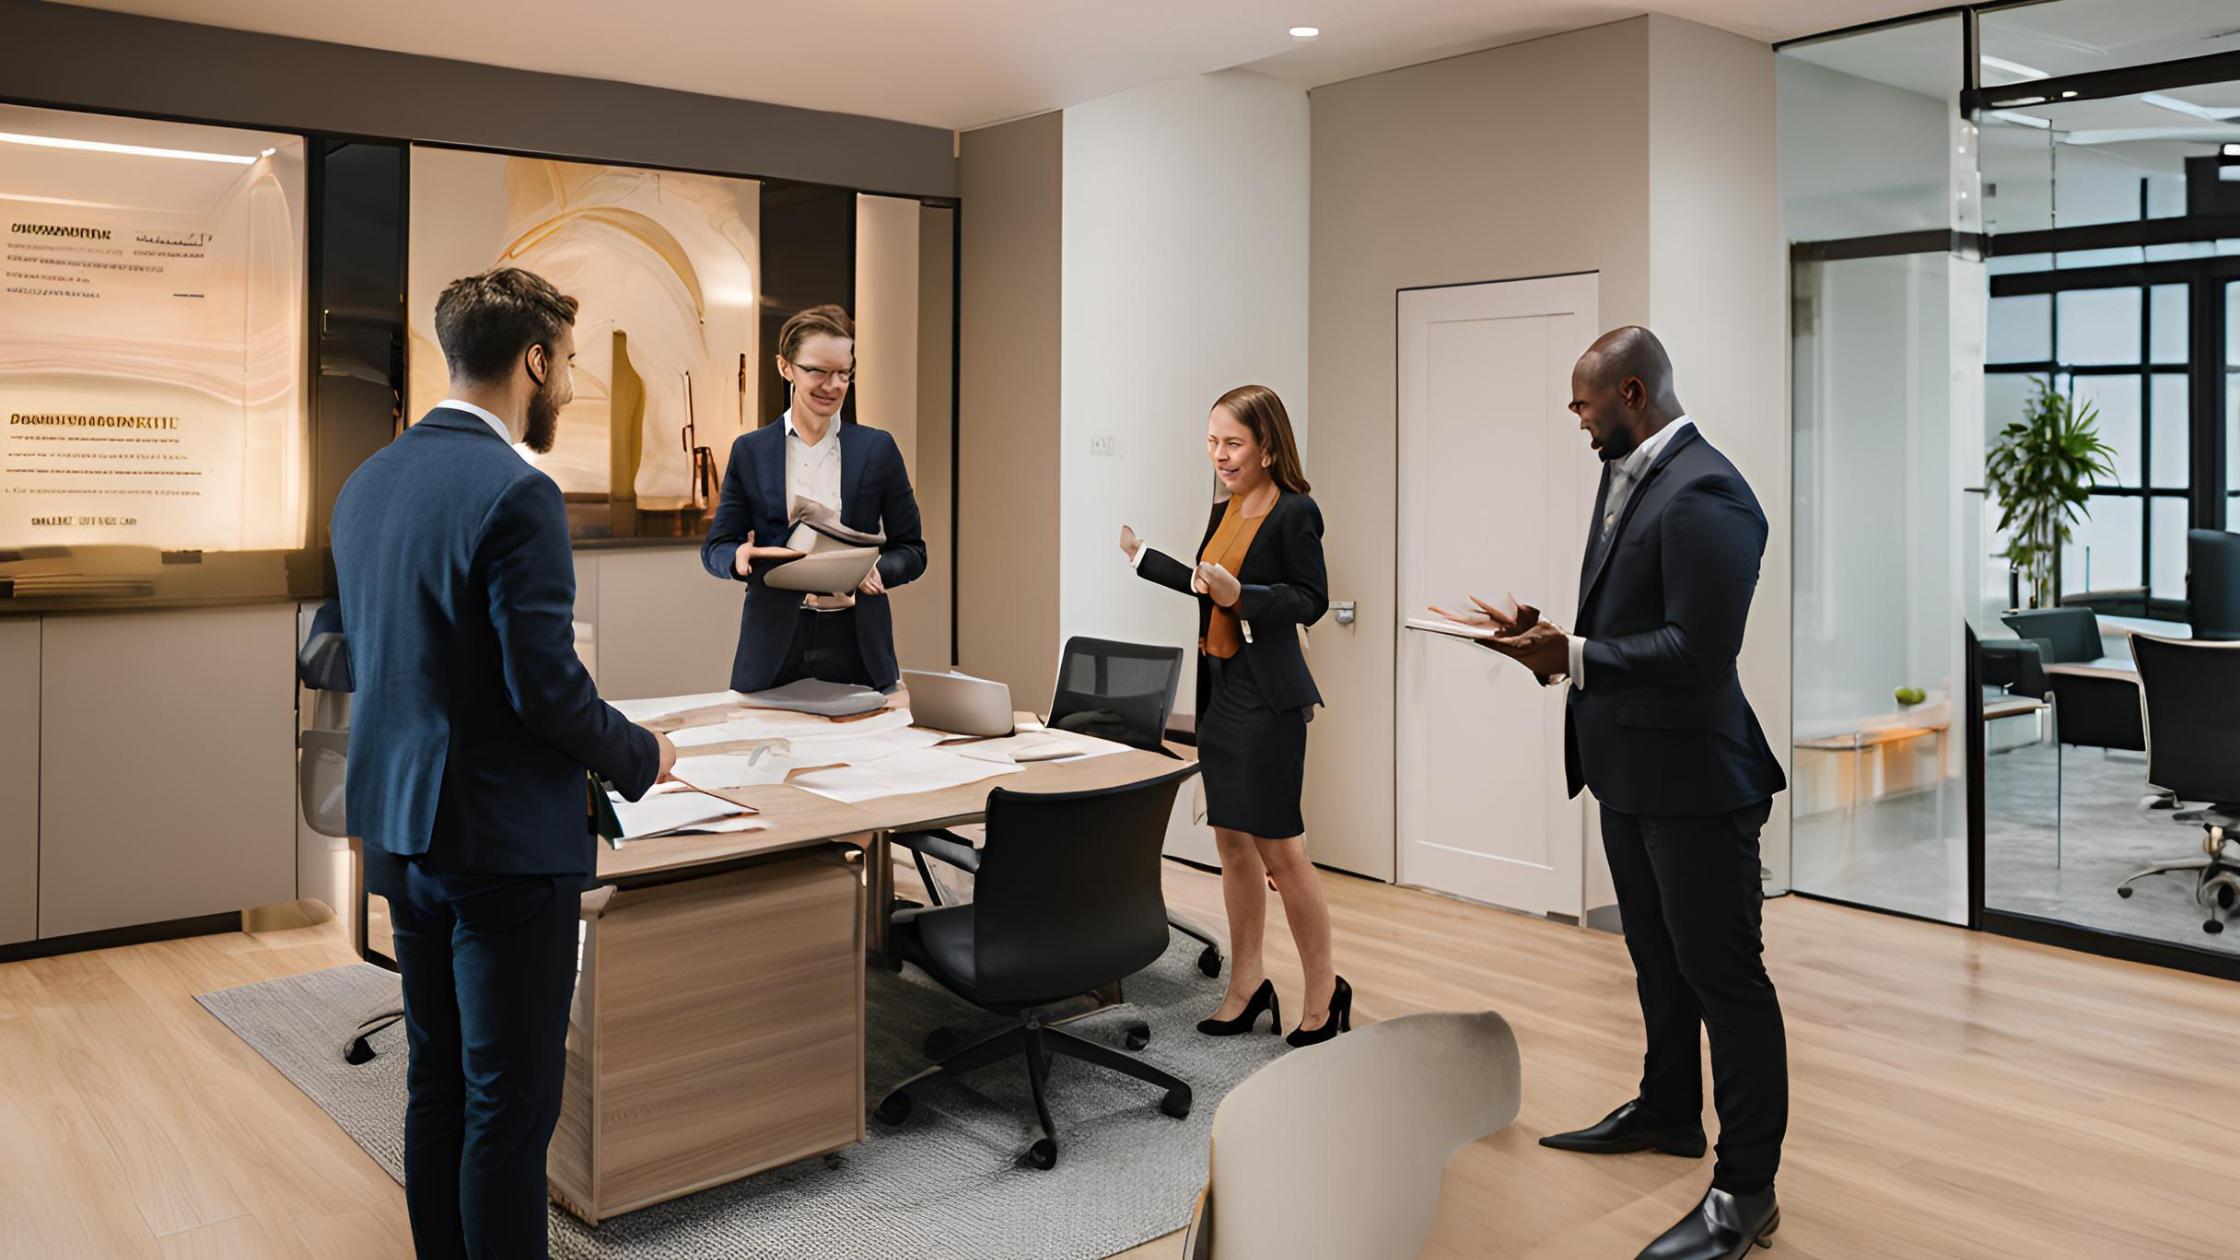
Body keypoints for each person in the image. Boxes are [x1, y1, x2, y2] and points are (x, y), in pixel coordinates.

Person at [332, 267, 677, 1259]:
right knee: (511, 1110)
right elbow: (546, 692)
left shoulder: (369, 480)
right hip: (502, 852)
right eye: (566, 363)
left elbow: (391, 658)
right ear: (532, 359)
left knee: (437, 1082)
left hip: (402, 832)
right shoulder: (517, 493)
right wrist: (642, 753)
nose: (566, 385)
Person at [1435, 327, 1788, 1260]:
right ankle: (1671, 1108)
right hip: (1629, 773)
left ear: (1633, 391)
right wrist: (1549, 633)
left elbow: (1700, 651)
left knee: (1726, 981)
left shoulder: (1710, 490)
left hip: (1698, 783)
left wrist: (1576, 657)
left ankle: (1747, 1191)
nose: (1574, 415)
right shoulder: (1627, 469)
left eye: (1583, 400)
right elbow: (1631, 616)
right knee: (1656, 960)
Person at [1120, 385, 1351, 1048]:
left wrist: (1244, 594)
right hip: (1221, 690)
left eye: (1233, 443)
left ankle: (1324, 993)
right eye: (1213, 442)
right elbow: (1206, 580)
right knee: (1229, 843)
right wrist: (1144, 559)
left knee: (1280, 850)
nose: (1219, 455)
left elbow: (1310, 599)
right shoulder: (1226, 504)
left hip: (1268, 699)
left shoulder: (1295, 511)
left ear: (1268, 445)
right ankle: (1247, 987)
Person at [700, 305, 926, 692]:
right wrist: (738, 559)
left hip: (858, 640)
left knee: (867, 750)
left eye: (843, 373)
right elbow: (716, 548)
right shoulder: (750, 451)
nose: (833, 385)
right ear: (785, 367)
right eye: (818, 371)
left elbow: (913, 551)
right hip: (772, 640)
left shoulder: (878, 449)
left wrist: (877, 571)